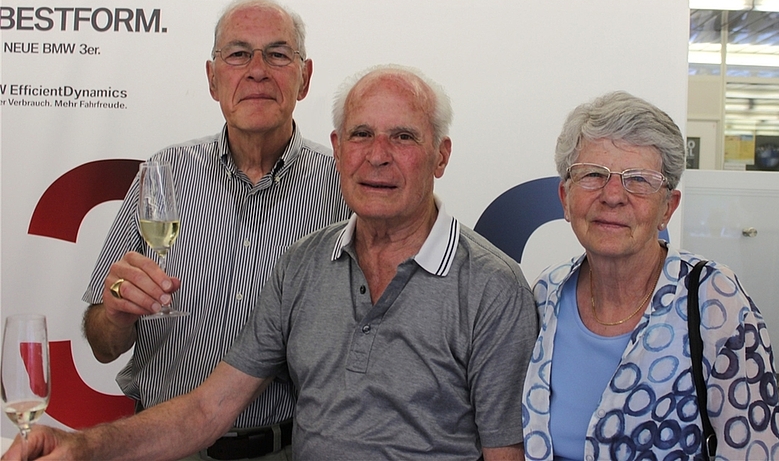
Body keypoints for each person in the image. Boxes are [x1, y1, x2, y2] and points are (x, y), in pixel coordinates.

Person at [5, 65, 538, 461]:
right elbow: (205, 410)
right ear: (337, 149)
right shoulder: (303, 265)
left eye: (403, 136)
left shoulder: (492, 287)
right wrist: (79, 449)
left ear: (441, 155)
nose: (378, 155)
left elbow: (504, 454)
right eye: (361, 134)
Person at [80, 0, 350, 460]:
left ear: (304, 78)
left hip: (285, 449)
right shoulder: (163, 173)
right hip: (160, 446)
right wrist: (117, 314)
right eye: (239, 53)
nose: (258, 70)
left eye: (278, 54)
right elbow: (102, 343)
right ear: (212, 79)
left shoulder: (344, 192)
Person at [522, 92, 779, 460]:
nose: (613, 195)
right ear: (565, 198)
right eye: (593, 175)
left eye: (639, 180)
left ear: (668, 207)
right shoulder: (545, 295)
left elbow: (756, 450)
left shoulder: (713, 300)